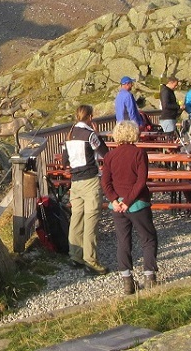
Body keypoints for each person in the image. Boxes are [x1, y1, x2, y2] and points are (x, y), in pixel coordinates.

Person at [101, 120, 158, 294]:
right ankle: (149, 276)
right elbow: (141, 181)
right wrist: (128, 201)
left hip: (117, 206)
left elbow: (105, 182)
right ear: (134, 134)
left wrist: (114, 200)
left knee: (123, 241)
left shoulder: (110, 156)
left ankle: (127, 281)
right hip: (137, 203)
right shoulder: (139, 153)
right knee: (148, 238)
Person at [63, 104, 110, 275]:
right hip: (90, 180)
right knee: (91, 220)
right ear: (90, 117)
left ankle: (75, 255)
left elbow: (65, 161)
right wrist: (97, 134)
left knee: (76, 218)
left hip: (75, 182)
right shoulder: (89, 135)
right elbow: (106, 154)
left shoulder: (69, 135)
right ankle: (91, 260)